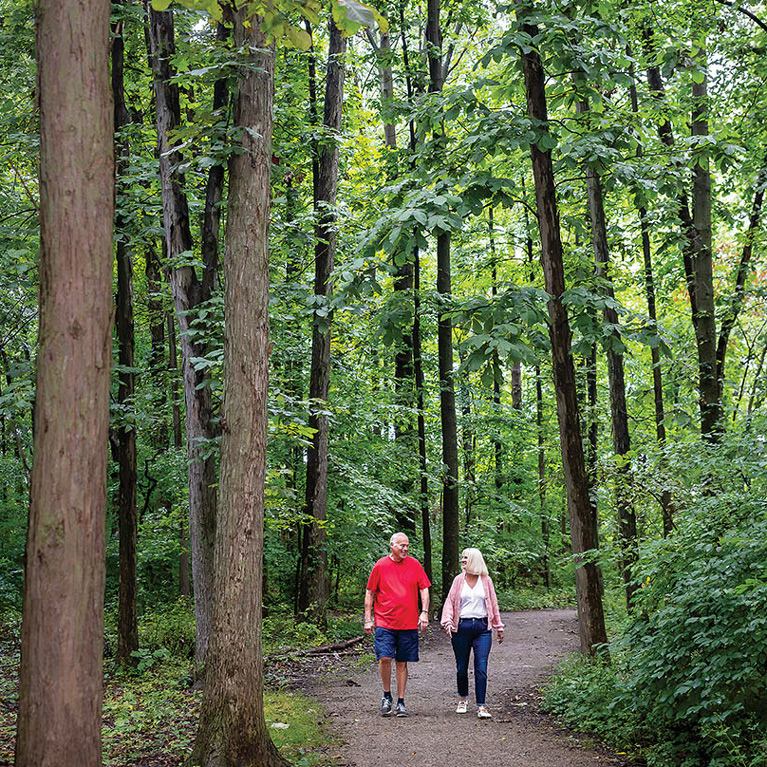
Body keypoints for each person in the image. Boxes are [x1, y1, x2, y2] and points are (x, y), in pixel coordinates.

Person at [364, 532, 431, 718]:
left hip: (408, 623)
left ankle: (401, 701)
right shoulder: (380, 565)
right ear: (392, 545)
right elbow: (370, 592)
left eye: (407, 545)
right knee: (384, 658)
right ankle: (387, 696)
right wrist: (368, 619)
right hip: (385, 621)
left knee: (402, 662)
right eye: (402, 545)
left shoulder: (414, 564)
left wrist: (424, 613)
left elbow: (424, 588)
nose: (405, 549)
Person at [440, 547, 504, 719]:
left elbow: (494, 604)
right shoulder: (458, 581)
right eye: (462, 558)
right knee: (462, 667)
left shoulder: (486, 580)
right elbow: (450, 602)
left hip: (483, 628)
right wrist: (447, 621)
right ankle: (463, 698)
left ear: (474, 560)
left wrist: (499, 626)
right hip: (461, 628)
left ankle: (482, 706)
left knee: (481, 667)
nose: (462, 561)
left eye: (465, 558)